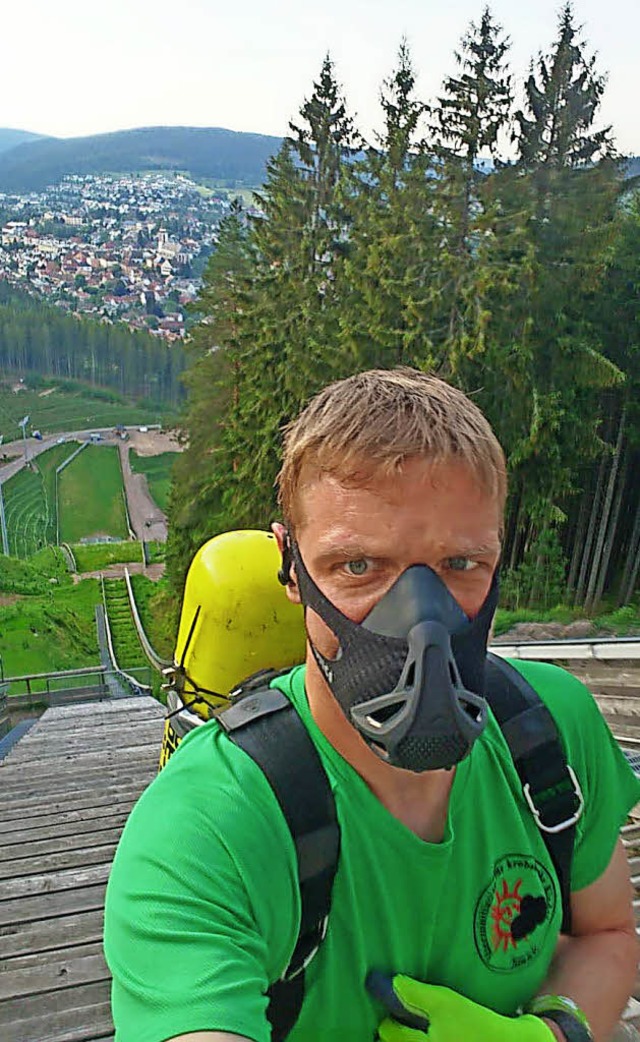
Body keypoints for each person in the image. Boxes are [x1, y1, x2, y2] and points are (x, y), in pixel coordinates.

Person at [104, 367, 640, 1042]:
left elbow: (610, 933)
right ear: (291, 567)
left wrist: (552, 1033)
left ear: (498, 555)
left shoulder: (548, 732)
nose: (423, 621)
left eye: (461, 565)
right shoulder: (205, 829)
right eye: (359, 567)